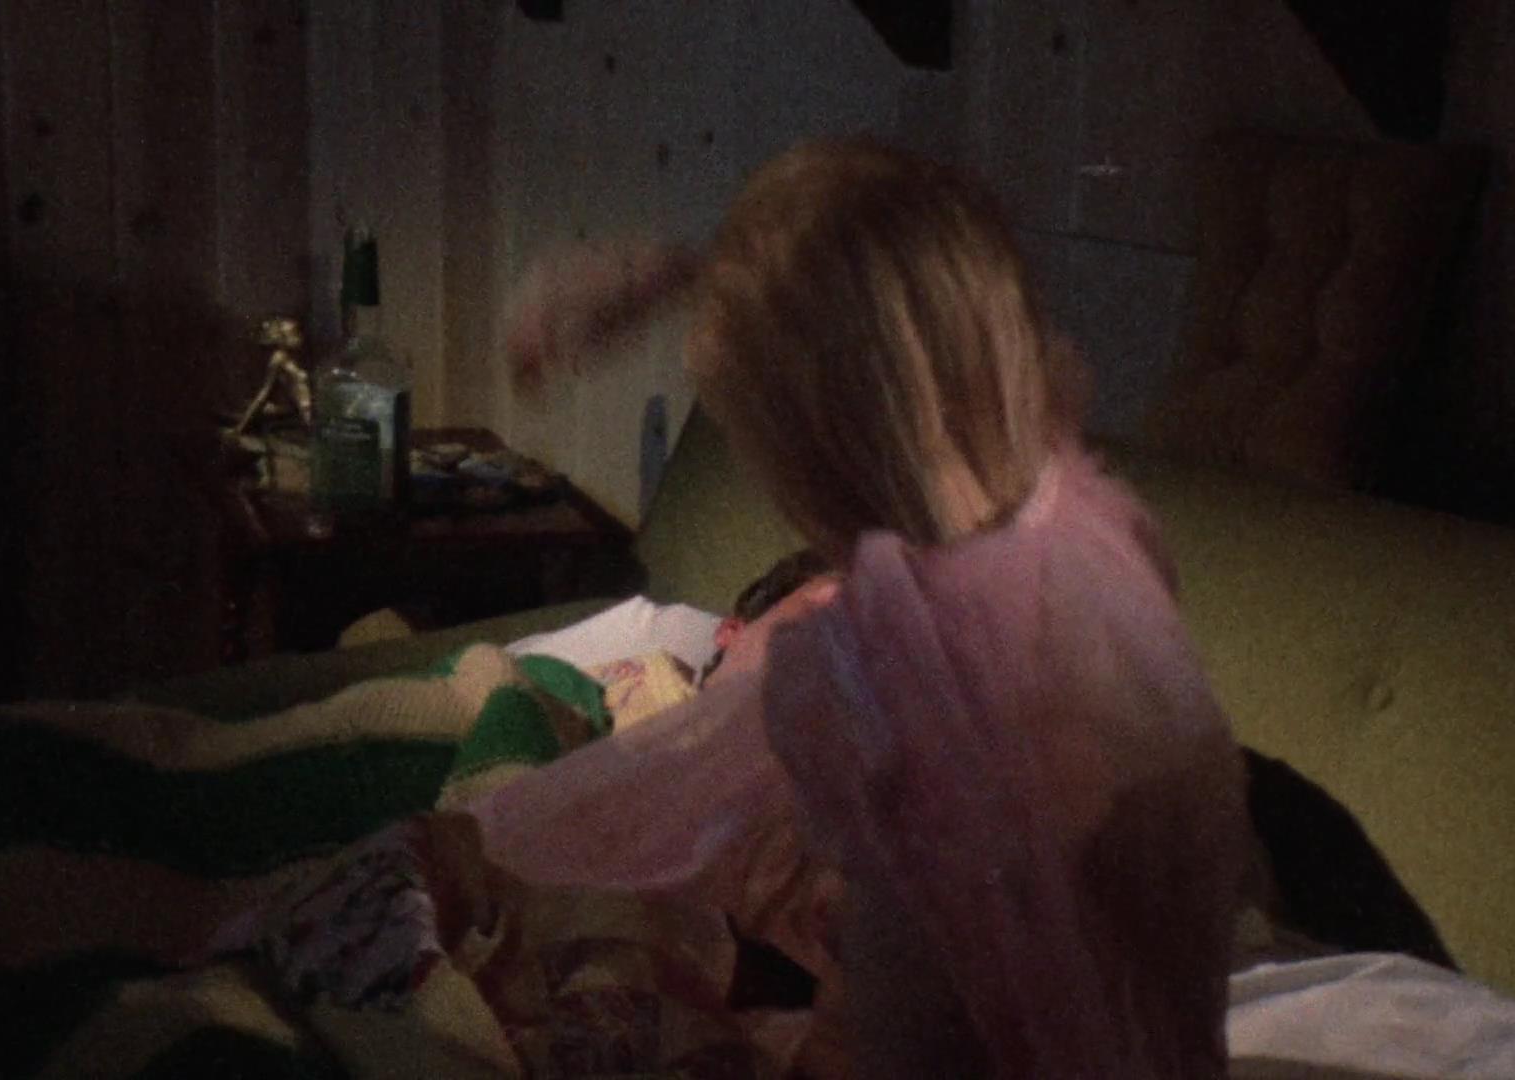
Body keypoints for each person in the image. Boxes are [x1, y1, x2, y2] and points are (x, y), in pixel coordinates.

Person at [474, 138, 1255, 1076]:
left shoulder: (889, 679)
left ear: (808, 464)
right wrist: (673, 280)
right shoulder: (1090, 546)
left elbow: (895, 1021)